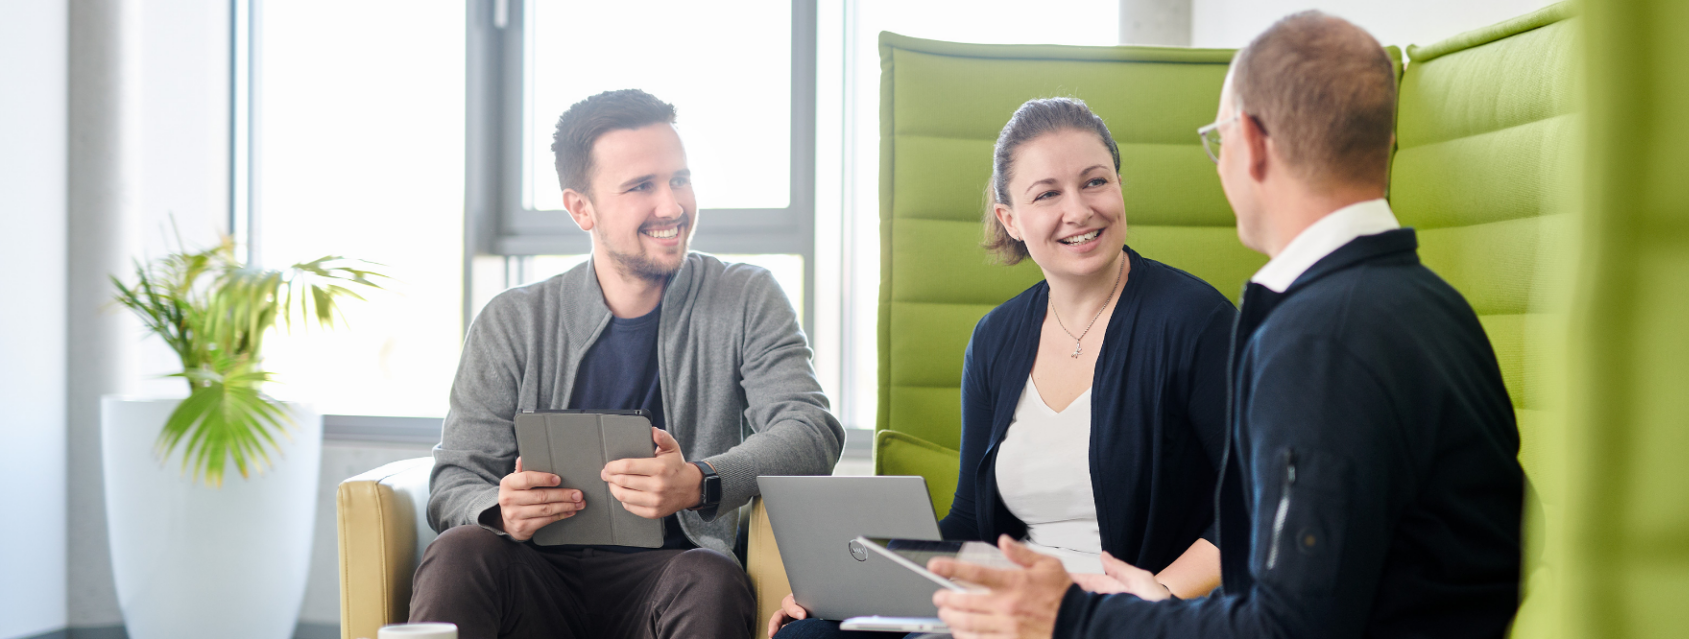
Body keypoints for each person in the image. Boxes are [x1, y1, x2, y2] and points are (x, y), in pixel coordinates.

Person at [926, 12, 1526, 639]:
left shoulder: (1316, 341)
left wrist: (1078, 618)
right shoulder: (1434, 308)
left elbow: (1286, 628)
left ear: (1253, 145)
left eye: (1220, 140)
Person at [769, 98, 1235, 639]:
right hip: (1005, 612)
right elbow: (971, 520)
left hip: (1122, 617)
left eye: (1094, 182)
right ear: (1009, 219)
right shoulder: (996, 338)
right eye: (1047, 194)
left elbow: (1254, 504)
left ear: (1119, 186)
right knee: (808, 635)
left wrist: (1155, 597)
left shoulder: (1196, 322)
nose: (1079, 210)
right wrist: (848, 584)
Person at [412, 89, 845, 639]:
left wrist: (699, 481)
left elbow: (810, 431)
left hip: (671, 574)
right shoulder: (513, 320)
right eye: (642, 186)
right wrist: (498, 509)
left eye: (680, 179)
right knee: (459, 552)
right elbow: (455, 478)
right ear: (580, 208)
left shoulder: (745, 297)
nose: (672, 206)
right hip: (534, 575)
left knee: (711, 579)